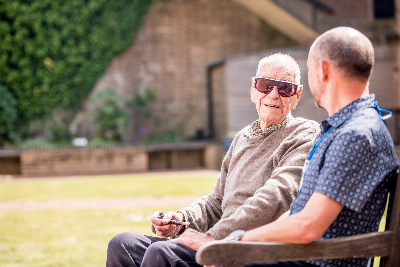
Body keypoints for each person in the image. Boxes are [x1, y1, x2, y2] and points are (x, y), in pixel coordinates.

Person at [106, 53, 320, 267]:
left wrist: (214, 238)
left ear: (297, 94)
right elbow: (218, 201)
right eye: (265, 85)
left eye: (284, 88)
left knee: (162, 253)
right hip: (220, 240)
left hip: (249, 248)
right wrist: (182, 219)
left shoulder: (304, 134)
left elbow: (276, 197)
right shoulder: (243, 137)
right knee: (122, 245)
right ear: (253, 89)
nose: (273, 95)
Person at [217, 27, 399, 267]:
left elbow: (307, 227)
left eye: (310, 70)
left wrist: (238, 241)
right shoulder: (344, 128)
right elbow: (299, 215)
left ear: (322, 70)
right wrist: (238, 241)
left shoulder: (356, 135)